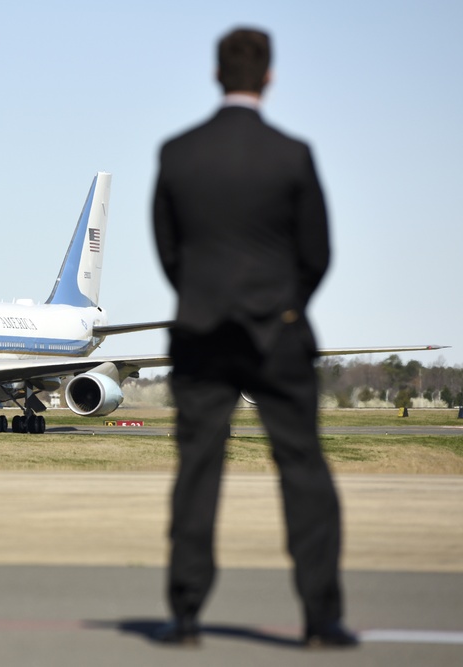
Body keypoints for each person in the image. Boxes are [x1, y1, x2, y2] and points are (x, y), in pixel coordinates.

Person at [150, 27, 358, 648]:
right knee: (302, 467)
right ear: (268, 76)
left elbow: (168, 249)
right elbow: (317, 251)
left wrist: (202, 297)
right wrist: (287, 308)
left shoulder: (177, 153)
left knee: (198, 471)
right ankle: (320, 619)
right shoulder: (291, 154)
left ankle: (185, 616)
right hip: (278, 332)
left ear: (217, 75)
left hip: (202, 329)